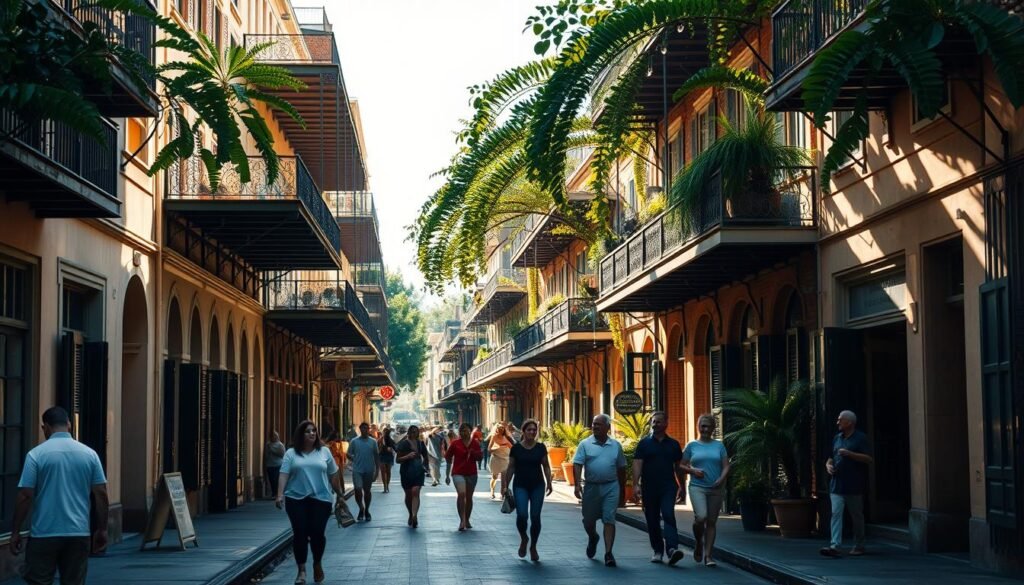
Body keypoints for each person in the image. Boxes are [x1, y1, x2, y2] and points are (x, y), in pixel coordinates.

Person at [11, 407, 108, 585]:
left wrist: (15, 531)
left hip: (44, 532)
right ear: (69, 425)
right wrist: (102, 528)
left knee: (39, 580)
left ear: (45, 427)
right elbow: (101, 494)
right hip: (78, 532)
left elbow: (25, 495)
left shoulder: (35, 455)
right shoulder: (90, 454)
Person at [276, 420, 345, 585]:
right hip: (295, 499)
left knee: (317, 534)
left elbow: (333, 475)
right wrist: (279, 495)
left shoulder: (325, 452)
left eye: (314, 431)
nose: (312, 434)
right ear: (301, 434)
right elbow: (283, 474)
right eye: (308, 431)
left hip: (321, 499)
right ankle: (301, 570)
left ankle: (317, 563)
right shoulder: (291, 454)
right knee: (299, 533)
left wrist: (340, 494)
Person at [632, 411, 687, 565]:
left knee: (669, 514)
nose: (655, 424)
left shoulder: (674, 445)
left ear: (666, 424)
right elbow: (637, 463)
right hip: (649, 487)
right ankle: (657, 550)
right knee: (652, 519)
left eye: (658, 422)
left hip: (668, 486)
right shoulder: (644, 444)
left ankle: (672, 549)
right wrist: (636, 484)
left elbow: (678, 467)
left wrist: (682, 487)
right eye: (653, 422)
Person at [573, 414, 627, 567]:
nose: (595, 427)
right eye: (593, 424)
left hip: (611, 486)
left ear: (608, 428)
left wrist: (622, 490)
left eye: (598, 424)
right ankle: (593, 537)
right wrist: (577, 485)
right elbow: (578, 464)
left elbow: (621, 467)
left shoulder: (616, 446)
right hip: (591, 487)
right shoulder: (585, 444)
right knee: (588, 520)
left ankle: (608, 553)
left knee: (609, 518)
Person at [821, 410, 873, 558]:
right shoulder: (837, 438)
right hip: (836, 484)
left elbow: (869, 459)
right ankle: (835, 545)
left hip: (854, 485)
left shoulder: (860, 438)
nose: (837, 422)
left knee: (856, 516)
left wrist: (851, 454)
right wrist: (828, 466)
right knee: (836, 514)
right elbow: (831, 457)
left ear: (849, 422)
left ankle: (859, 545)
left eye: (840, 420)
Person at [681, 413, 730, 567]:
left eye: (708, 426)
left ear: (713, 428)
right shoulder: (692, 445)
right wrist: (693, 472)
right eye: (702, 426)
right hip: (697, 487)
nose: (705, 429)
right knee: (701, 517)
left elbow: (726, 466)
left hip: (716, 488)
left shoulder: (719, 445)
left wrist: (721, 480)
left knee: (711, 522)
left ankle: (708, 556)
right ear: (698, 427)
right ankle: (698, 542)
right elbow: (681, 465)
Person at [502, 419, 552, 561]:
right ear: (523, 432)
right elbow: (511, 467)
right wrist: (506, 485)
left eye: (534, 430)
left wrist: (549, 482)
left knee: (535, 517)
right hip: (520, 485)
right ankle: (524, 538)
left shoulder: (541, 447)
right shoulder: (516, 448)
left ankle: (533, 546)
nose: (532, 432)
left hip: (537, 485)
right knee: (522, 515)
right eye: (529, 430)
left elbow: (546, 466)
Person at [445, 422, 483, 531]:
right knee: (461, 494)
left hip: (471, 473)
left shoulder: (475, 443)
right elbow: (448, 457)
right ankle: (462, 520)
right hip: (458, 472)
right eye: (461, 430)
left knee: (469, 497)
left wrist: (474, 453)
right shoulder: (455, 443)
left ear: (470, 431)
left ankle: (467, 519)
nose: (463, 432)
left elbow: (480, 457)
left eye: (466, 430)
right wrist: (447, 474)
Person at [396, 425, 430, 528]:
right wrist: (407, 456)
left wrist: (426, 466)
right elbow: (397, 460)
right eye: (412, 431)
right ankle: (410, 513)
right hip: (406, 472)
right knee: (408, 495)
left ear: (418, 433)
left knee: (415, 492)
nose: (413, 433)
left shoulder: (420, 444)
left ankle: (415, 515)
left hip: (418, 472)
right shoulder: (403, 444)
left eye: (415, 431)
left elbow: (425, 456)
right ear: (408, 433)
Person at [348, 422, 380, 521]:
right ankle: (361, 507)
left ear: (369, 429)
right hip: (357, 470)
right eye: (363, 428)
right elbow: (348, 454)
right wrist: (354, 459)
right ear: (360, 429)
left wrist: (377, 471)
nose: (365, 430)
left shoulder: (373, 442)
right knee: (358, 489)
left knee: (367, 491)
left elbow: (376, 456)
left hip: (369, 470)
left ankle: (367, 510)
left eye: (366, 428)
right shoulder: (354, 441)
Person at [488, 423, 513, 499]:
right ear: (496, 430)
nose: (501, 431)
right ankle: (492, 491)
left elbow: (512, 447)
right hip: (496, 459)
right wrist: (497, 448)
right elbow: (489, 449)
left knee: (504, 478)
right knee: (494, 477)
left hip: (505, 459)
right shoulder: (494, 437)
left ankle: (503, 494)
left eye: (502, 429)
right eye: (499, 429)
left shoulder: (506, 437)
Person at [265, 430, 286, 499]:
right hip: (270, 465)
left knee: (276, 480)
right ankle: (273, 493)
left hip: (278, 465)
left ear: (277, 436)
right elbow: (266, 454)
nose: (274, 437)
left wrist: (273, 450)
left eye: (275, 436)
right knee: (271, 480)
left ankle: (277, 494)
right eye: (272, 436)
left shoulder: (280, 445)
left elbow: (282, 454)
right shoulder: (268, 444)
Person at [378, 427, 396, 493]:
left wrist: (391, 449)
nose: (385, 433)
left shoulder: (391, 440)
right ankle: (385, 487)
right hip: (382, 456)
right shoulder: (380, 440)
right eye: (384, 432)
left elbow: (395, 448)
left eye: (386, 432)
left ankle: (387, 485)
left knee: (388, 471)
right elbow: (376, 449)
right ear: (383, 432)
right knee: (383, 472)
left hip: (389, 457)